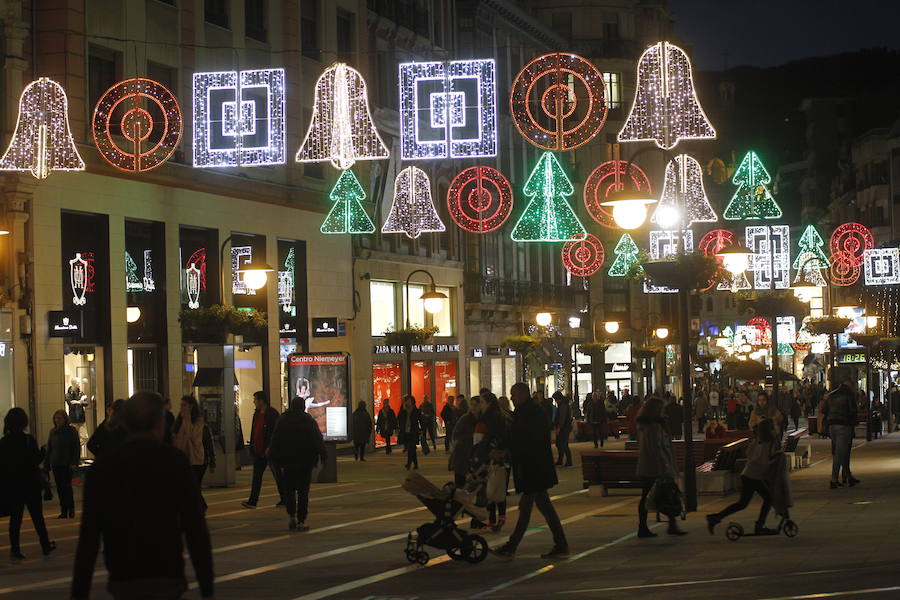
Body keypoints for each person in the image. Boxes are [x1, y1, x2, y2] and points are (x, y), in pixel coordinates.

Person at [70, 392, 213, 600]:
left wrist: (78, 593)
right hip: (166, 571)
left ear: (125, 424)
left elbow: (89, 538)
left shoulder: (103, 468)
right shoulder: (174, 462)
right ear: (159, 423)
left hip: (123, 574)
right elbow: (195, 528)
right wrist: (207, 589)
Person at [491, 382, 568, 560]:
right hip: (533, 467)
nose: (511, 398)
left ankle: (511, 546)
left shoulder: (533, 413)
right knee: (545, 507)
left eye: (514, 394)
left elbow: (526, 438)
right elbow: (516, 435)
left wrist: (508, 450)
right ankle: (561, 543)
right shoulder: (525, 412)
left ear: (523, 394)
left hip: (534, 467)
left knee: (525, 508)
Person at [0, 408, 56, 561]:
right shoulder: (28, 440)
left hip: (13, 486)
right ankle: (45, 545)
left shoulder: (3, 443)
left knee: (15, 519)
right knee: (37, 516)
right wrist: (43, 451)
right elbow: (34, 461)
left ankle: (15, 549)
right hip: (30, 484)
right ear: (23, 422)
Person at [707, 418, 780, 535]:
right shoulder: (766, 443)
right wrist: (772, 462)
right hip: (753, 476)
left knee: (743, 503)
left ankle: (716, 517)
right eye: (774, 427)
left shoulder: (758, 440)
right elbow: (760, 460)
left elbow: (749, 454)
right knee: (767, 498)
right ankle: (759, 526)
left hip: (749, 474)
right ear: (769, 430)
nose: (776, 429)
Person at [268, 397, 328, 531]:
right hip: (305, 462)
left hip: (287, 462)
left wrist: (272, 457)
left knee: (289, 490)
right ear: (302, 406)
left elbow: (275, 439)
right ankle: (301, 520)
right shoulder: (308, 421)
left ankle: (291, 516)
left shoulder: (283, 420)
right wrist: (323, 456)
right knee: (303, 492)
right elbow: (317, 439)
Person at [636, 396, 686, 538]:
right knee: (666, 494)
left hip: (648, 466)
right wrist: (665, 466)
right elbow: (657, 448)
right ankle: (647, 527)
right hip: (656, 467)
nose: (664, 411)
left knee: (657, 495)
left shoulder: (647, 424)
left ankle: (666, 524)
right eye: (662, 408)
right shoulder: (654, 426)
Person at [242, 391, 285, 509]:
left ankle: (285, 498)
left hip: (270, 451)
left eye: (255, 399)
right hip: (258, 451)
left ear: (261, 401)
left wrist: (270, 447)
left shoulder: (272, 414)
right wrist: (252, 447)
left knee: (278, 475)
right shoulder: (256, 414)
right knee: (256, 477)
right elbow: (254, 431)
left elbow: (275, 433)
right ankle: (252, 501)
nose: (253, 402)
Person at [820, 375, 860, 488]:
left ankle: (848, 476)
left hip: (832, 425)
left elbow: (824, 410)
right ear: (851, 385)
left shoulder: (832, 395)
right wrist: (853, 424)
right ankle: (834, 479)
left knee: (840, 451)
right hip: (844, 425)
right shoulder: (849, 395)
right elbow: (853, 411)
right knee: (841, 453)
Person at [44, 409, 80, 519]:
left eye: (59, 418)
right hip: (56, 463)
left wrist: (74, 462)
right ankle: (63, 510)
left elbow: (76, 447)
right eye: (56, 418)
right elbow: (49, 448)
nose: (57, 420)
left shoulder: (71, 431)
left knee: (67, 487)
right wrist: (46, 464)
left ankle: (71, 509)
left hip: (67, 463)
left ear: (65, 419)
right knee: (60, 488)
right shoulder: (53, 432)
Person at [173, 396, 207, 509]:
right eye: (180, 405)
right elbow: (175, 436)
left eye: (184, 405)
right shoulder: (179, 419)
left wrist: (187, 419)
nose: (181, 408)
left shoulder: (198, 420)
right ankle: (199, 506)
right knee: (187, 486)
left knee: (194, 486)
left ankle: (200, 507)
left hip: (195, 458)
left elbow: (193, 437)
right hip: (183, 457)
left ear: (191, 406)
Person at [450, 397, 475, 488]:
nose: (473, 407)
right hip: (462, 453)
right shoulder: (465, 419)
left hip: (475, 454)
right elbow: (456, 434)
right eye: (472, 405)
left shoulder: (483, 419)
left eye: (476, 405)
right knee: (460, 483)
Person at [66, 378, 90, 460]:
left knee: (84, 437)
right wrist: (81, 401)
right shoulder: (68, 394)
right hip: (73, 419)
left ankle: (76, 452)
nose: (79, 384)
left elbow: (86, 403)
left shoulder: (81, 393)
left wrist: (77, 402)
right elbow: (70, 404)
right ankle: (75, 457)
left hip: (81, 419)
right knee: (73, 438)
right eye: (78, 382)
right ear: (74, 383)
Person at [397, 395, 421, 470]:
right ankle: (416, 464)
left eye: (409, 401)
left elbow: (420, 420)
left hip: (413, 432)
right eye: (407, 401)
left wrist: (421, 430)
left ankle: (408, 463)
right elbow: (399, 418)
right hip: (405, 432)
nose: (408, 403)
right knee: (412, 449)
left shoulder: (416, 410)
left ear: (412, 402)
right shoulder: (403, 410)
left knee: (411, 448)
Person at [552, 392, 573, 467]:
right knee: (560, 444)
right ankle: (561, 460)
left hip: (564, 428)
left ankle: (568, 461)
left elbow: (562, 418)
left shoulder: (563, 405)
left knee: (563, 444)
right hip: (565, 427)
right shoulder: (563, 404)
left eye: (555, 399)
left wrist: (559, 428)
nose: (555, 401)